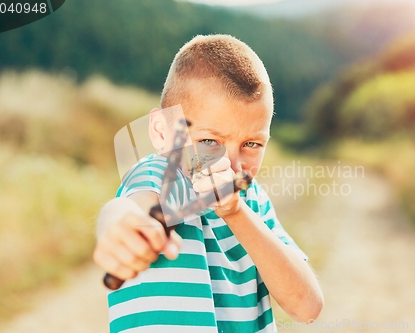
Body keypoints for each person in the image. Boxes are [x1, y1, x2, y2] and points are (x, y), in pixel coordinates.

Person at [93, 34, 323, 333]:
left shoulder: (252, 201)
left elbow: (306, 307)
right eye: (209, 141)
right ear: (163, 133)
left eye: (252, 143)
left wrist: (237, 213)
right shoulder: (165, 173)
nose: (229, 164)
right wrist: (120, 225)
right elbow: (133, 205)